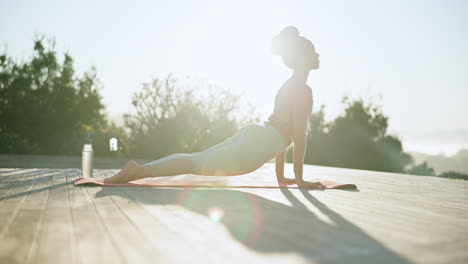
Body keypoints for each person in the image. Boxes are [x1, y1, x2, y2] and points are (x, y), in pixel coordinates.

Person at [104, 26, 322, 187]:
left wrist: (281, 177)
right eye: (314, 52)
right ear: (303, 58)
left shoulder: (286, 87)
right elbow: (297, 135)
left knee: (196, 159)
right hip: (260, 144)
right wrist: (300, 178)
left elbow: (280, 131)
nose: (318, 55)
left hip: (256, 133)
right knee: (196, 163)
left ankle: (138, 170)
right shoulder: (303, 91)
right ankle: (137, 171)